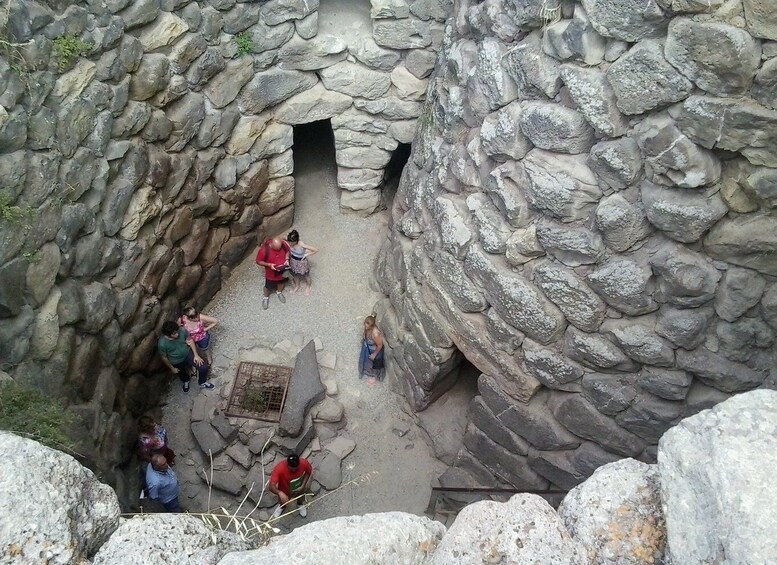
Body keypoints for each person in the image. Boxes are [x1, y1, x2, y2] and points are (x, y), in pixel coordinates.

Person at [158, 321, 214, 392]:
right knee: (181, 373)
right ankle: (186, 381)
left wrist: (196, 355)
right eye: (174, 333)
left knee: (203, 367)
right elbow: (164, 357)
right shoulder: (162, 343)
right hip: (176, 361)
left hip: (187, 354)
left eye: (177, 331)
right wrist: (172, 368)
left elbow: (190, 340)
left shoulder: (182, 330)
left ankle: (202, 382)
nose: (177, 334)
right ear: (168, 335)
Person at [269, 454, 313, 519]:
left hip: (298, 486)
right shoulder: (279, 468)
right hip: (285, 489)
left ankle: (300, 504)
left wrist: (303, 485)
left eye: (296, 467)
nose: (294, 469)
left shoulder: (304, 463)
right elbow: (271, 486)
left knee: (300, 497)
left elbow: (308, 472)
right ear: (288, 464)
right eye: (292, 468)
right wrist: (280, 493)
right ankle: (282, 507)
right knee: (282, 501)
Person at [255, 237, 291, 310]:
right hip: (271, 272)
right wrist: (269, 265)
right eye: (276, 249)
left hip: (282, 270)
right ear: (271, 244)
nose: (279, 250)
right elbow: (258, 261)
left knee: (282, 282)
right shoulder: (264, 250)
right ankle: (266, 297)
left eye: (280, 248)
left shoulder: (283, 244)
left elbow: (287, 251)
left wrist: (287, 259)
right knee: (268, 286)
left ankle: (279, 292)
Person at [286, 230, 318, 296]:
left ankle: (308, 287)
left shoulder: (301, 244)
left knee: (306, 275)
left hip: (301, 262)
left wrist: (306, 254)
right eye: (289, 242)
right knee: (294, 274)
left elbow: (315, 250)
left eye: (292, 242)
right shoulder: (288, 241)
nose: (290, 244)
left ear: (296, 241)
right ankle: (297, 285)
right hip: (293, 261)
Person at [359, 315, 385, 384]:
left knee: (374, 365)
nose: (366, 327)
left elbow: (380, 345)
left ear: (372, 326)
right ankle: (365, 371)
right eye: (365, 324)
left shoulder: (375, 334)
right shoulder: (367, 328)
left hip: (373, 350)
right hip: (367, 348)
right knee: (365, 360)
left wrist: (374, 354)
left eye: (368, 326)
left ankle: (374, 376)